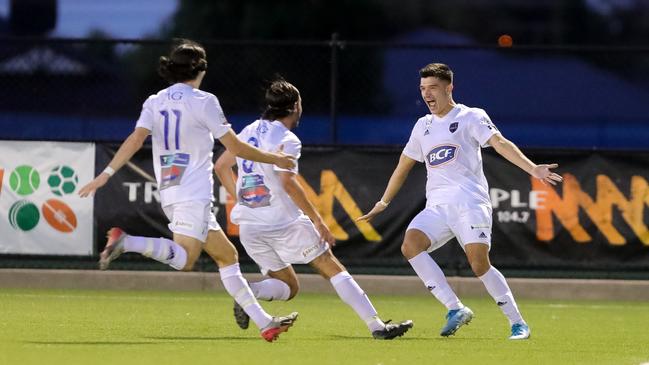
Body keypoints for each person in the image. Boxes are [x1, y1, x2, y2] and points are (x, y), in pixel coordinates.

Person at [78, 39, 298, 342]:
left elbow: (134, 139)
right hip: (192, 194)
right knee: (184, 260)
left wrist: (105, 174)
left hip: (173, 192)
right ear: (201, 69)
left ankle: (265, 323)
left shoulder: (155, 100)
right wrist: (276, 157)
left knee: (227, 256)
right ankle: (126, 242)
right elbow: (234, 147)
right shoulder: (204, 101)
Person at [357, 63, 563, 340]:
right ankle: (455, 308)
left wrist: (533, 169)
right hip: (437, 208)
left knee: (479, 264)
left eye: (432, 88)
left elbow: (500, 142)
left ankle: (518, 323)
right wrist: (383, 202)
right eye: (422, 89)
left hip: (470, 204)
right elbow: (403, 166)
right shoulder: (423, 126)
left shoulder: (470, 117)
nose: (427, 94)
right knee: (410, 245)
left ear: (449, 87)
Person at [214, 78, 413, 340]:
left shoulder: (248, 130)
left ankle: (248, 292)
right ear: (295, 106)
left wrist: (241, 199)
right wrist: (318, 221)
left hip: (250, 226)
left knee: (289, 286)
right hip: (283, 222)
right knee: (330, 266)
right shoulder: (287, 139)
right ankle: (376, 325)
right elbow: (288, 182)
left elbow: (221, 166)